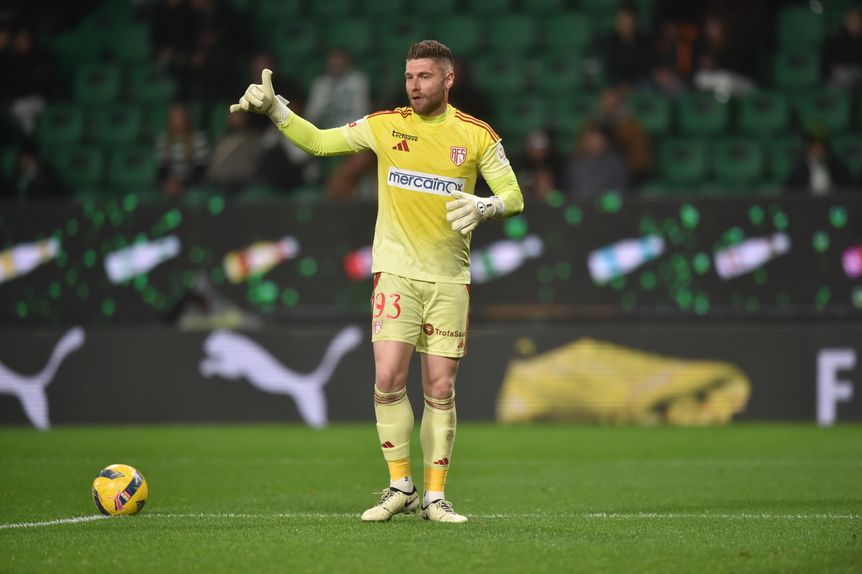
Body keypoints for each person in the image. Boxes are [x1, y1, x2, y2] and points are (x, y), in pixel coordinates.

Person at [230, 40, 524, 523]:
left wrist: (485, 205)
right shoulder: (386, 126)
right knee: (387, 377)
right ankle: (399, 485)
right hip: (396, 273)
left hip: (449, 279)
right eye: (410, 75)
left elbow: (514, 194)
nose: (414, 84)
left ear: (448, 80)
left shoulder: (476, 135)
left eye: (425, 76)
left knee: (440, 386)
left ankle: (435, 497)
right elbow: (321, 142)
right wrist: (277, 111)